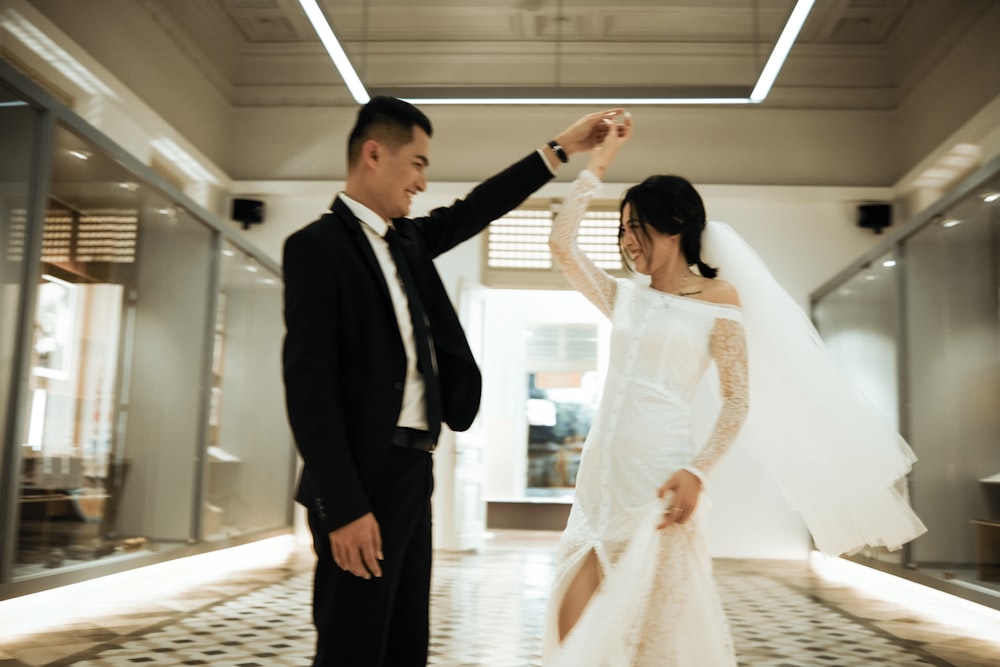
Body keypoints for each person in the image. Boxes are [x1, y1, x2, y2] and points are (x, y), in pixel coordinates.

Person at [543, 115, 927, 666]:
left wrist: (698, 471)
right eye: (622, 230)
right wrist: (598, 164)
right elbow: (562, 245)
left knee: (651, 641)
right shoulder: (624, 297)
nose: (627, 241)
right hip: (598, 485)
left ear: (674, 225)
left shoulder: (719, 301)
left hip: (660, 483)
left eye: (637, 227)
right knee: (570, 627)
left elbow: (737, 399)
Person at [281, 95, 621, 667]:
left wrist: (563, 147)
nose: (421, 181)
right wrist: (342, 506)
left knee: (405, 637)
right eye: (416, 163)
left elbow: (478, 207)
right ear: (373, 154)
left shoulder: (409, 242)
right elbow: (309, 389)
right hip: (360, 476)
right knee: (353, 642)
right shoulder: (317, 249)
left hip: (415, 469)